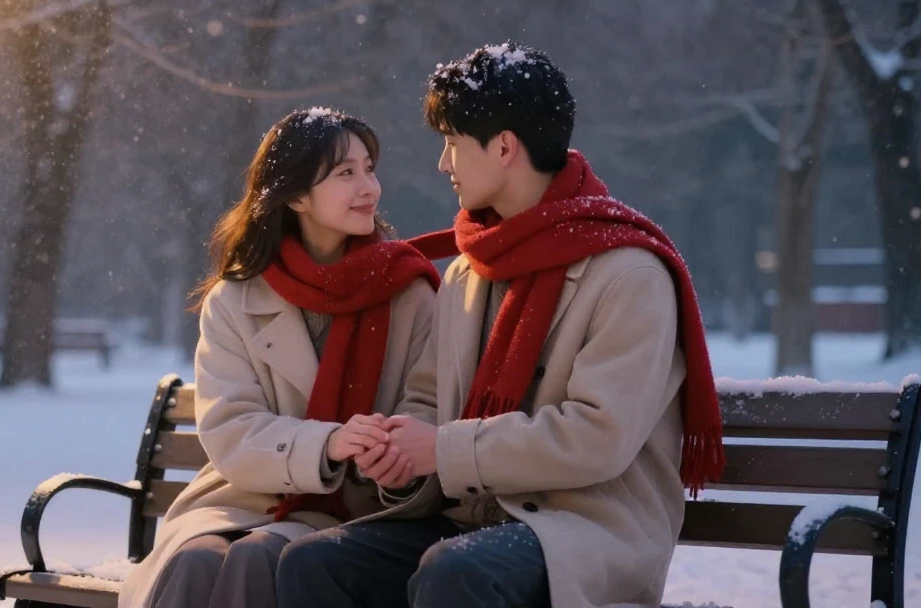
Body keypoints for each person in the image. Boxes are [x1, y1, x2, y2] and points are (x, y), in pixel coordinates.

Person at [275, 42, 725, 608]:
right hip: (473, 517)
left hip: (584, 529)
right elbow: (427, 397)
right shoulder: (471, 271)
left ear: (505, 147)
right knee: (317, 561)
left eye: (453, 144)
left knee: (458, 571)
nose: (444, 164)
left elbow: (597, 437)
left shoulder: (628, 274)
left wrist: (441, 449)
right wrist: (398, 452)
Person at [118, 106, 440, 608]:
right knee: (195, 559)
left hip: (347, 510)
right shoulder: (237, 298)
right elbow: (232, 429)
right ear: (295, 197)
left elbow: (428, 406)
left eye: (370, 169)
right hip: (240, 496)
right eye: (345, 173)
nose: (369, 188)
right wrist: (329, 442)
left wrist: (387, 454)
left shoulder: (406, 291)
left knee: (258, 556)